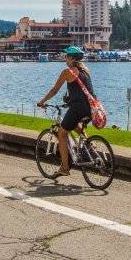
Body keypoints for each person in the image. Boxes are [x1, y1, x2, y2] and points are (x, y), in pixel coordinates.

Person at [37, 46, 94, 176]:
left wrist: (42, 101)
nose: (65, 58)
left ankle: (65, 168)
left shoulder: (67, 72)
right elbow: (82, 91)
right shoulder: (86, 70)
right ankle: (90, 146)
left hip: (78, 108)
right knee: (75, 126)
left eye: (66, 56)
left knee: (62, 133)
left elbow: (54, 90)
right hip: (90, 108)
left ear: (72, 58)